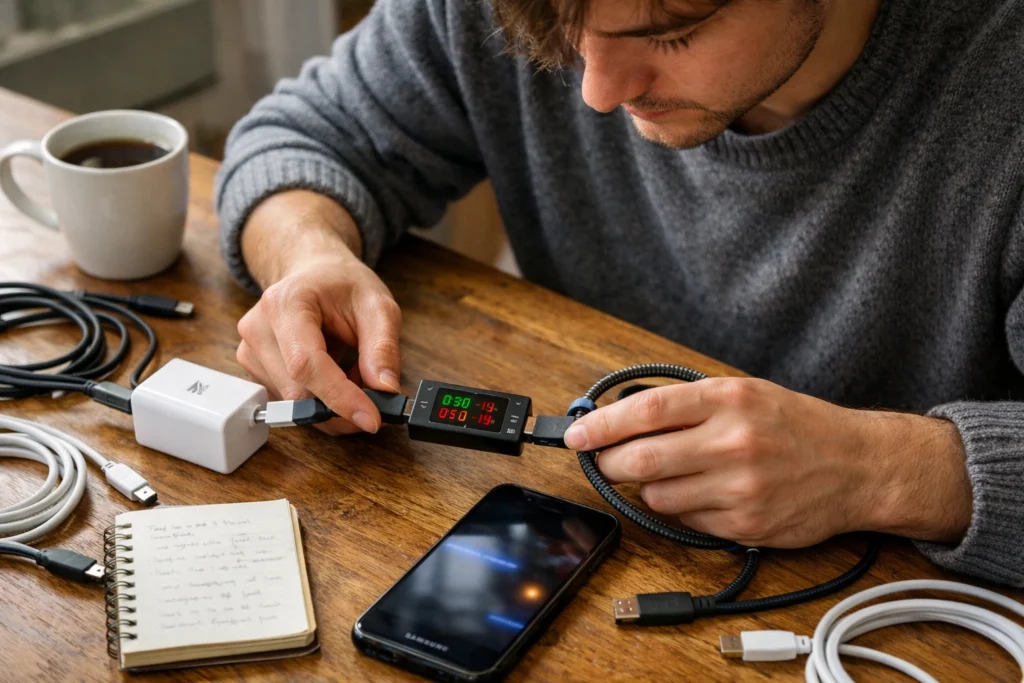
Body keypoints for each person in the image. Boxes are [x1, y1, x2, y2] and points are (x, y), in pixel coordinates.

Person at [215, 0, 1024, 586]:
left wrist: (881, 470)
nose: (599, 92)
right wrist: (304, 255)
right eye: (563, 38)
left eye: (670, 33)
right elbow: (301, 136)